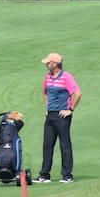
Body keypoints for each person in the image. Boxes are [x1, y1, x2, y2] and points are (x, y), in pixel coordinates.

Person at [33, 53, 80, 184]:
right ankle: (44, 175)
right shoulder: (47, 77)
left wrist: (70, 110)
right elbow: (44, 92)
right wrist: (47, 108)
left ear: (55, 64)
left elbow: (77, 93)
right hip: (50, 115)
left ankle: (67, 175)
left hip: (62, 116)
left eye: (48, 63)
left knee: (64, 145)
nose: (46, 65)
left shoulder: (66, 77)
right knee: (47, 145)